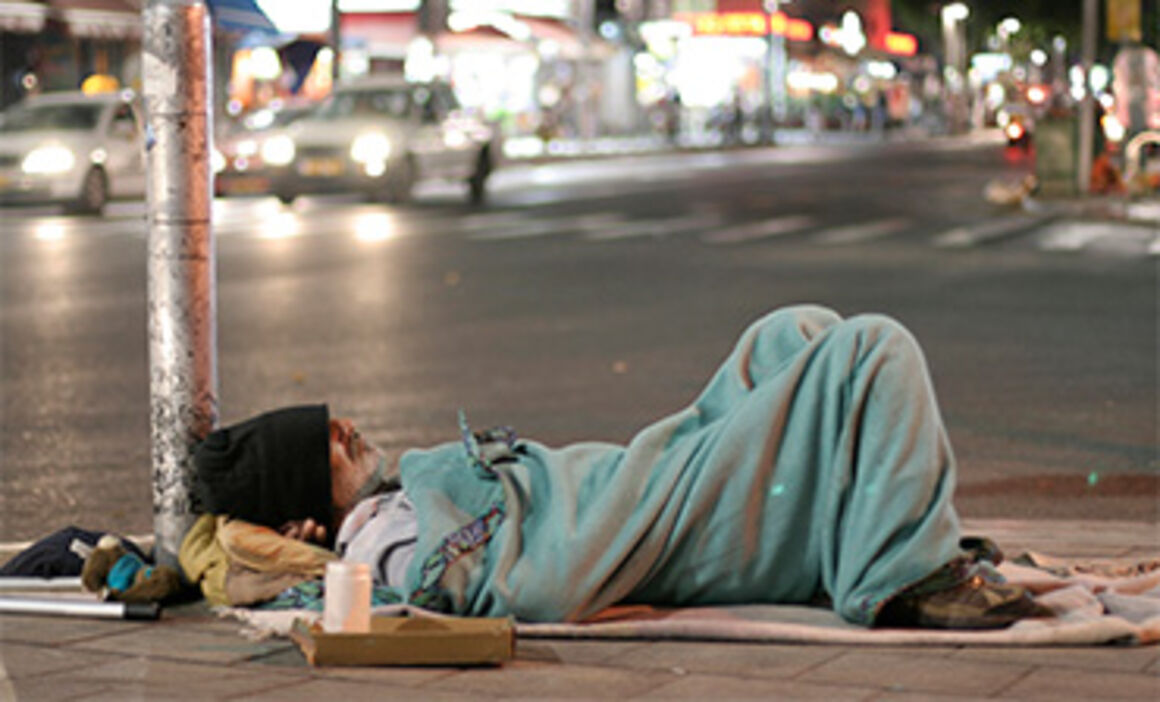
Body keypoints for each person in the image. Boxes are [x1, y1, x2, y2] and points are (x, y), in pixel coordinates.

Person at [192, 305, 1050, 630]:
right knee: (872, 349)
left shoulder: (394, 499)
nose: (345, 429)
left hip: (650, 472)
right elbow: (520, 581)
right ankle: (902, 578)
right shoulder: (382, 539)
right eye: (324, 446)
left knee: (793, 332)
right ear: (305, 511)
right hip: (656, 518)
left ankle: (860, 533)